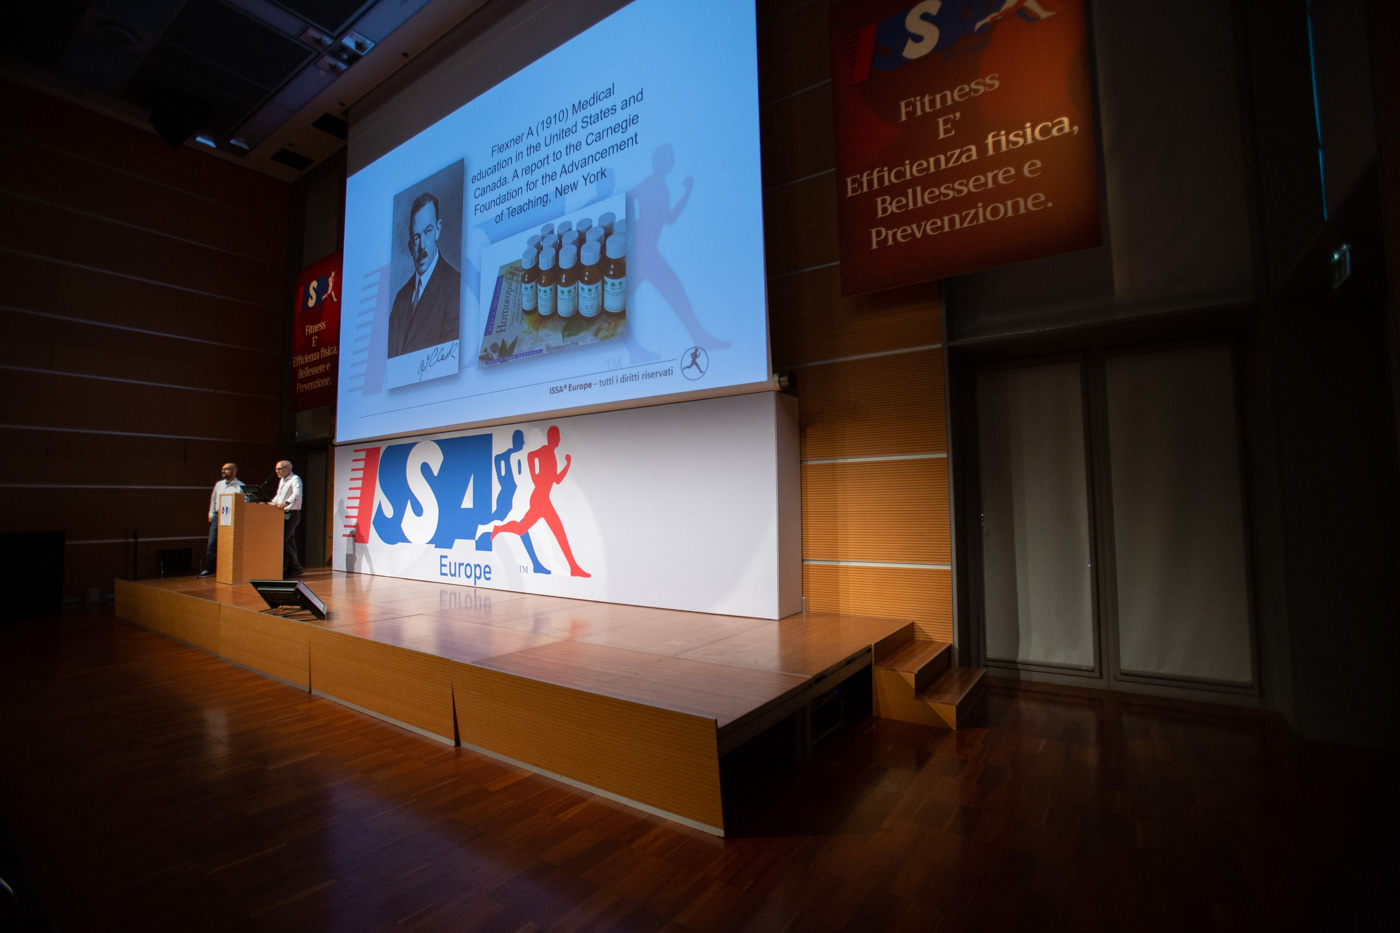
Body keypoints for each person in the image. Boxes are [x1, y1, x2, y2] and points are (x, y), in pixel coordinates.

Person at [491, 426, 589, 578]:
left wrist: (567, 464)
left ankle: (573, 567)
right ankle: (498, 528)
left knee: (536, 530)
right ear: (552, 438)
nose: (559, 440)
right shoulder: (541, 453)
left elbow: (557, 480)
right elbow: (535, 469)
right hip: (539, 500)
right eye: (557, 437)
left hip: (544, 500)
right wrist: (537, 470)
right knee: (541, 530)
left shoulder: (551, 455)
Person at [387, 192, 461, 357]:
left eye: (428, 231)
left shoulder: (456, 286)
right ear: (410, 246)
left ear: (438, 230)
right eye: (416, 237)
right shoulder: (401, 299)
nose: (422, 246)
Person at [198, 462, 243, 578]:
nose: (223, 471)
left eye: (226, 469)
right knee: (212, 543)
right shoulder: (219, 484)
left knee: (228, 544)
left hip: (231, 518)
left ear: (234, 471)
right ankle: (209, 569)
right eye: (222, 469)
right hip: (218, 516)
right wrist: (211, 513)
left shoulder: (240, 486)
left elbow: (243, 503)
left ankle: (226, 569)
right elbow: (213, 499)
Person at [270, 460, 303, 576]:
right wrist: (269, 504)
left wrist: (286, 502)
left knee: (282, 540)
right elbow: (278, 497)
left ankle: (296, 566)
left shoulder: (295, 479)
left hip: (292, 513)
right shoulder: (282, 481)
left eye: (279, 469)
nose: (277, 471)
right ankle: (294, 567)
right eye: (276, 469)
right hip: (283, 514)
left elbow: (297, 493)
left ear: (288, 469)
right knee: (289, 541)